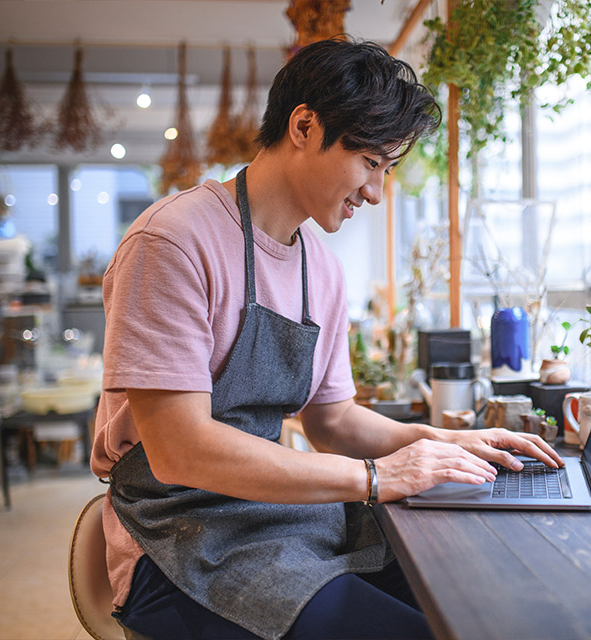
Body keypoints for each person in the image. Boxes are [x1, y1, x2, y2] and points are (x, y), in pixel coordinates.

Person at [91, 38, 563, 640]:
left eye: (387, 170)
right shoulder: (172, 243)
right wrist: (375, 478)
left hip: (282, 518)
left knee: (475, 602)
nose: (375, 193)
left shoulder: (322, 265)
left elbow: (333, 422)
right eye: (371, 163)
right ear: (305, 127)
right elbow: (181, 451)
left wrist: (445, 441)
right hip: (178, 537)